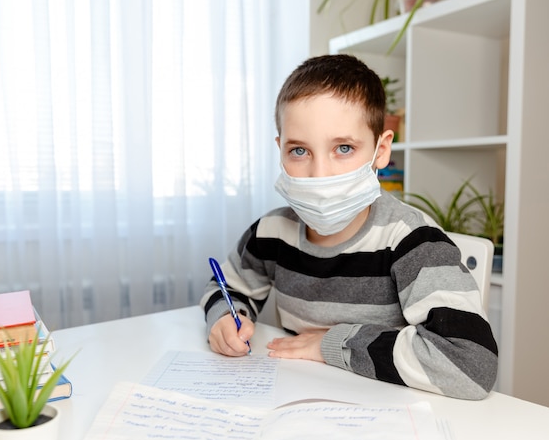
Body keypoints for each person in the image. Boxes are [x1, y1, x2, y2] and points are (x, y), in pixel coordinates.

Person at [199, 54, 498, 400]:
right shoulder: (271, 232)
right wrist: (224, 318)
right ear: (280, 150)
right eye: (299, 151)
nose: (320, 174)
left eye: (343, 148)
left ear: (381, 150)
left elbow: (471, 364)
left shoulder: (413, 242)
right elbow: (224, 288)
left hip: (388, 412)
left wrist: (331, 345)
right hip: (295, 399)